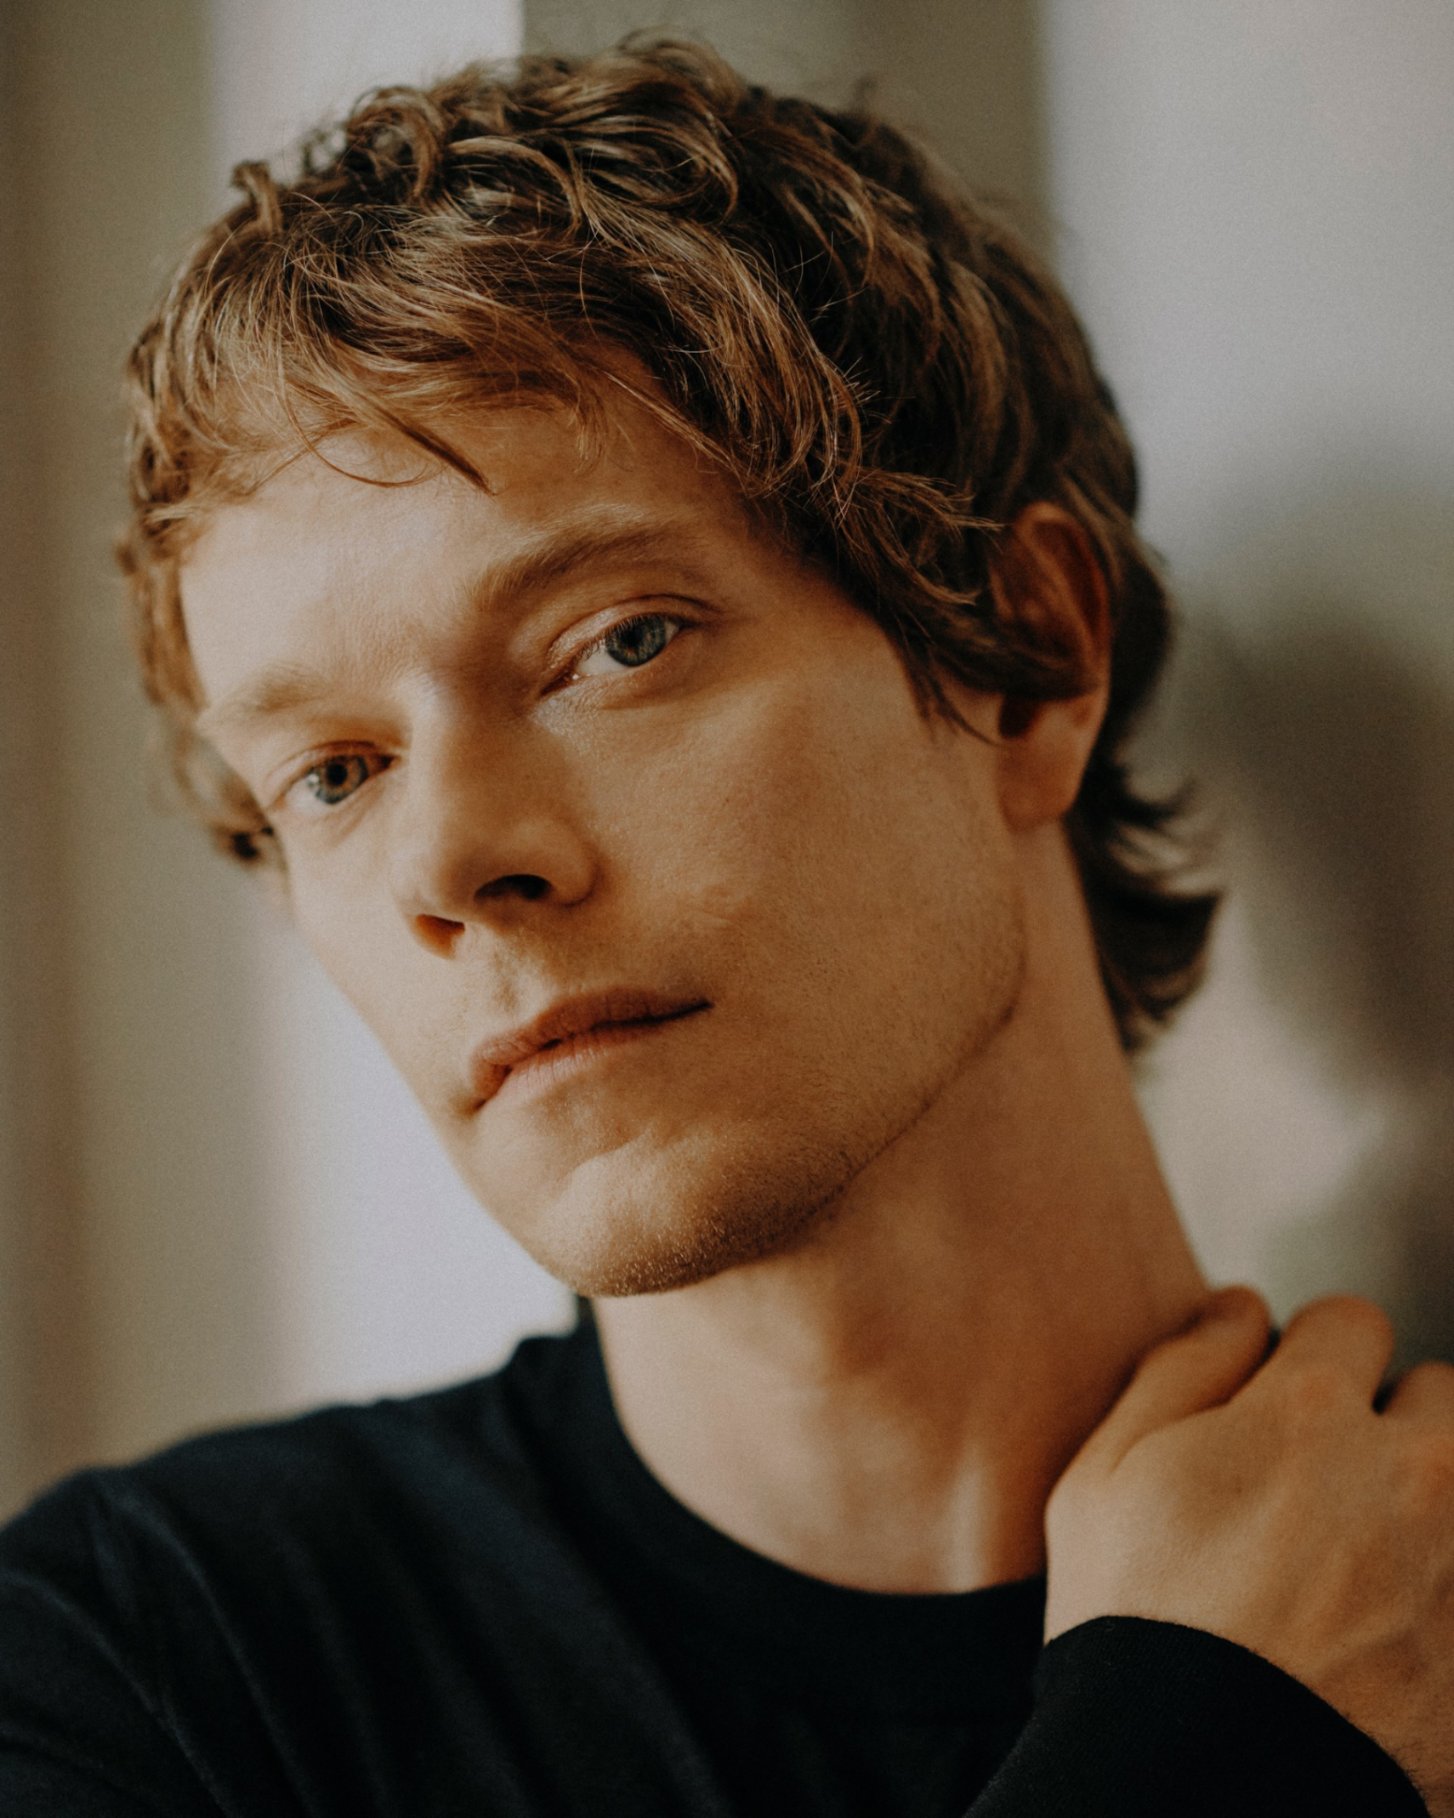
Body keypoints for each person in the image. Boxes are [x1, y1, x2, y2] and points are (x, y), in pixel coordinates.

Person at [1, 37, 1449, 1817]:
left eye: (616, 644)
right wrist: (1207, 1746)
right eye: (334, 773)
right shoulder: (151, 1677)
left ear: (1025, 656)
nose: (448, 862)